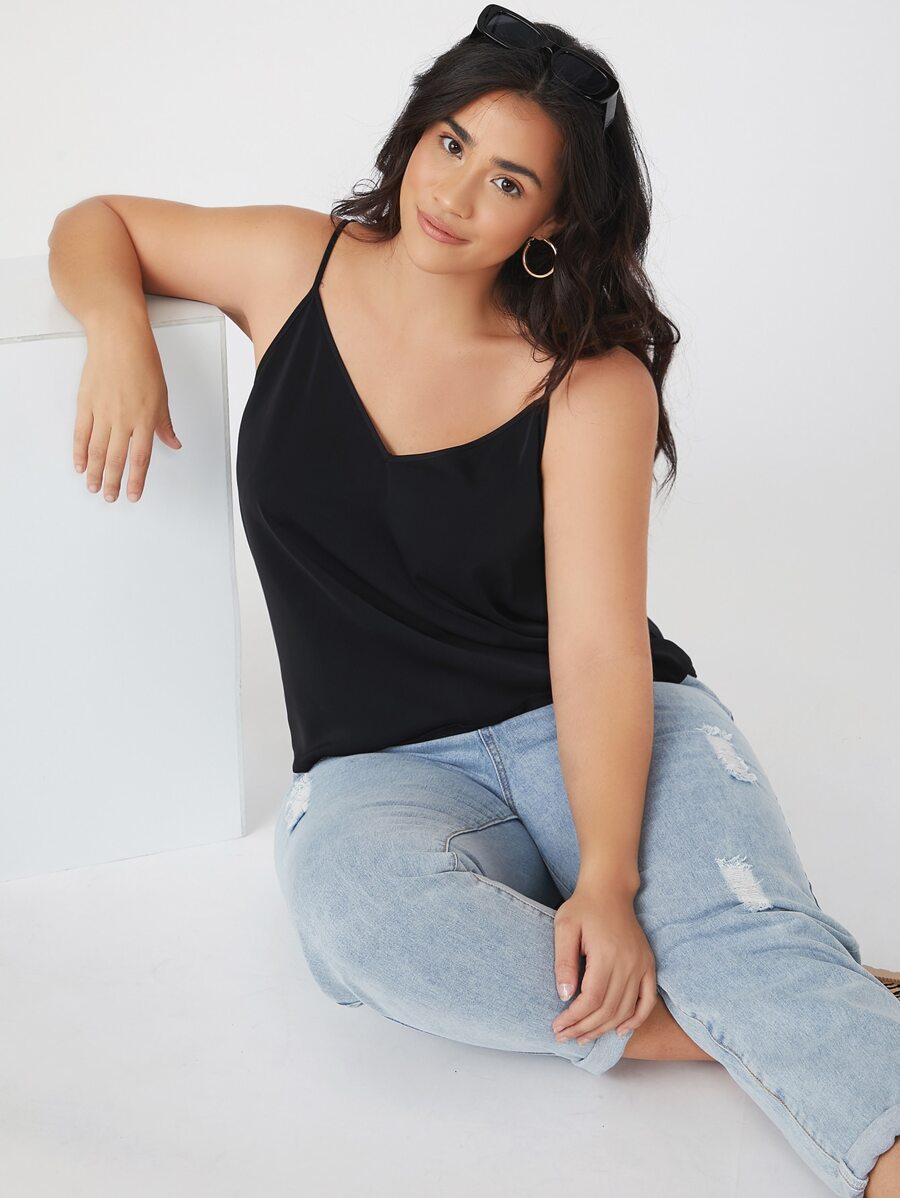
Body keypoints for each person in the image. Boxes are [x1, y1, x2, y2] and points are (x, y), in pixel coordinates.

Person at [47, 7, 900, 1195]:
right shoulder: (292, 267)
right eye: (450, 143)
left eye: (508, 181)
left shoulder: (589, 381)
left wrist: (608, 878)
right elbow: (99, 222)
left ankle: (778, 994)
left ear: (550, 219)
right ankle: (771, 1007)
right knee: (360, 921)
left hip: (591, 727)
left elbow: (598, 652)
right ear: (417, 129)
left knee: (733, 936)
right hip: (383, 770)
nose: (454, 194)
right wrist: (115, 330)